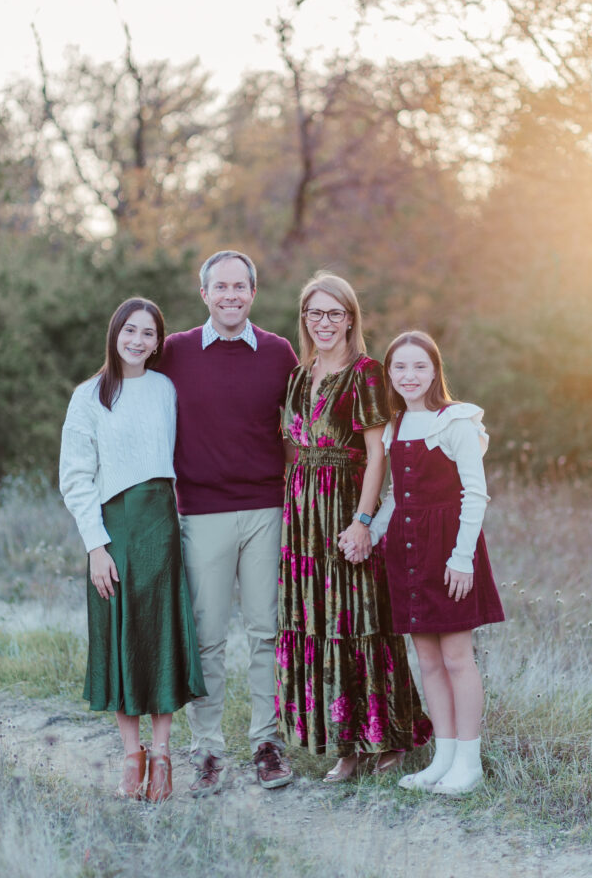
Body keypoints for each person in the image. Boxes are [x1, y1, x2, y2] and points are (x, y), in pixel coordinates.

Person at [276, 274, 432, 782]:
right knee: (320, 622)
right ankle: (344, 744)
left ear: (350, 319)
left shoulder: (365, 373)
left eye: (335, 314)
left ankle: (385, 737)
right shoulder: (300, 375)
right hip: (303, 517)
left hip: (346, 504)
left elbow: (377, 452)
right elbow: (295, 449)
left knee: (361, 620)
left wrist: (363, 522)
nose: (325, 324)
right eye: (315, 314)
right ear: (305, 319)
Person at [158, 251, 298, 795]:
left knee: (266, 631)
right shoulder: (177, 352)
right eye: (221, 287)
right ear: (205, 295)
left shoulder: (279, 352)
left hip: (267, 509)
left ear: (253, 293)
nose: (231, 295)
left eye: (240, 286)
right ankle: (208, 751)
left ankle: (268, 744)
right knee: (208, 637)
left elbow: (307, 419)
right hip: (202, 512)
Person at [59, 297, 206, 803]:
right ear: (115, 333)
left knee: (159, 636)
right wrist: (96, 546)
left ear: (158, 341)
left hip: (161, 526)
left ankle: (163, 755)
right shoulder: (89, 396)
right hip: (113, 530)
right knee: (121, 636)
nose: (138, 341)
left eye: (149, 333)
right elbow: (75, 478)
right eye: (131, 331)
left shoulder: (166, 389)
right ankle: (132, 756)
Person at [368, 331, 505, 795]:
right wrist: (370, 531)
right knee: (426, 660)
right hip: (407, 551)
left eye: (419, 367)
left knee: (456, 658)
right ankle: (442, 757)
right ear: (390, 373)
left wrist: (462, 558)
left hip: (449, 551)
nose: (409, 376)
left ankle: (469, 762)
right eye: (400, 367)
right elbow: (394, 496)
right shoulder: (394, 425)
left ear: (435, 371)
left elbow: (476, 493)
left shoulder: (457, 421)